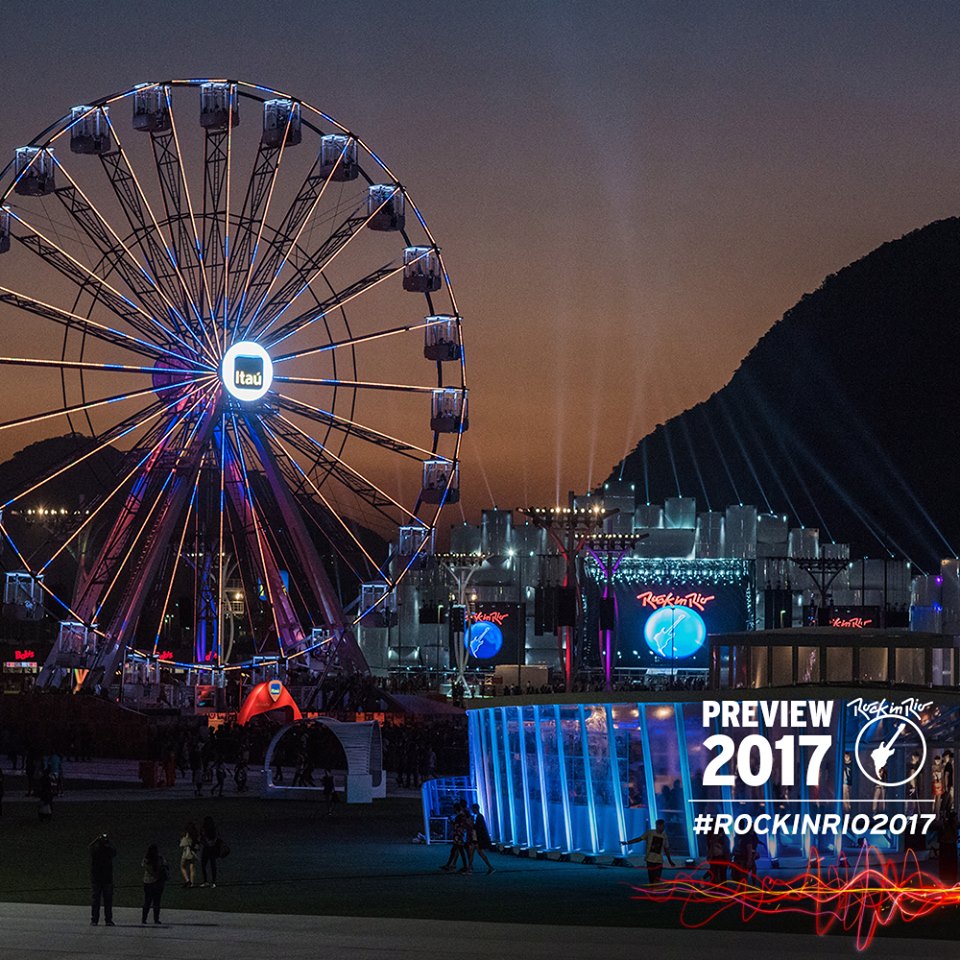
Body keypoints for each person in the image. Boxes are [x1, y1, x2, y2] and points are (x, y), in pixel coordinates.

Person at [623, 818, 675, 884]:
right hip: (650, 859)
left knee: (657, 877)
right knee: (651, 877)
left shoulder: (664, 836)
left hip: (658, 860)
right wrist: (627, 842)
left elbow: (666, 848)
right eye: (663, 826)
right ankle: (653, 890)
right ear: (658, 826)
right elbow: (639, 839)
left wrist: (670, 861)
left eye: (664, 826)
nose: (664, 828)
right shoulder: (650, 833)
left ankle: (654, 890)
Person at [89, 833, 116, 926]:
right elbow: (115, 851)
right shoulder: (108, 851)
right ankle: (108, 920)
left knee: (95, 901)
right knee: (108, 901)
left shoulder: (95, 851)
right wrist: (109, 842)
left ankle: (94, 920)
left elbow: (90, 847)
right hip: (107, 879)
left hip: (96, 879)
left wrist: (96, 840)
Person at [141, 843, 168, 924]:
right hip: (158, 882)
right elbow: (165, 866)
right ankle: (156, 919)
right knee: (157, 902)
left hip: (148, 882)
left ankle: (144, 919)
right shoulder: (160, 858)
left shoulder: (146, 859)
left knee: (147, 901)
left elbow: (147, 869)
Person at [467, 802, 495, 874]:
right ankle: (470, 868)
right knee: (475, 853)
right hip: (476, 838)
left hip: (477, 839)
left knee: (474, 853)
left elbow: (478, 828)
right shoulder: (479, 816)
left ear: (475, 809)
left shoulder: (478, 817)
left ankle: (469, 869)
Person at [200, 815, 220, 887]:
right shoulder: (214, 829)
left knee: (203, 865)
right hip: (213, 848)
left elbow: (202, 838)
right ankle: (213, 882)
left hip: (206, 848)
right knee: (213, 865)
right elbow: (217, 838)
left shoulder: (204, 829)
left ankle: (205, 881)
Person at [179, 821, 199, 887]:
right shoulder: (196, 834)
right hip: (193, 852)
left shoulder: (186, 834)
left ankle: (187, 881)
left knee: (182, 866)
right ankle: (192, 883)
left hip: (186, 852)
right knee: (192, 867)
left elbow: (183, 844)